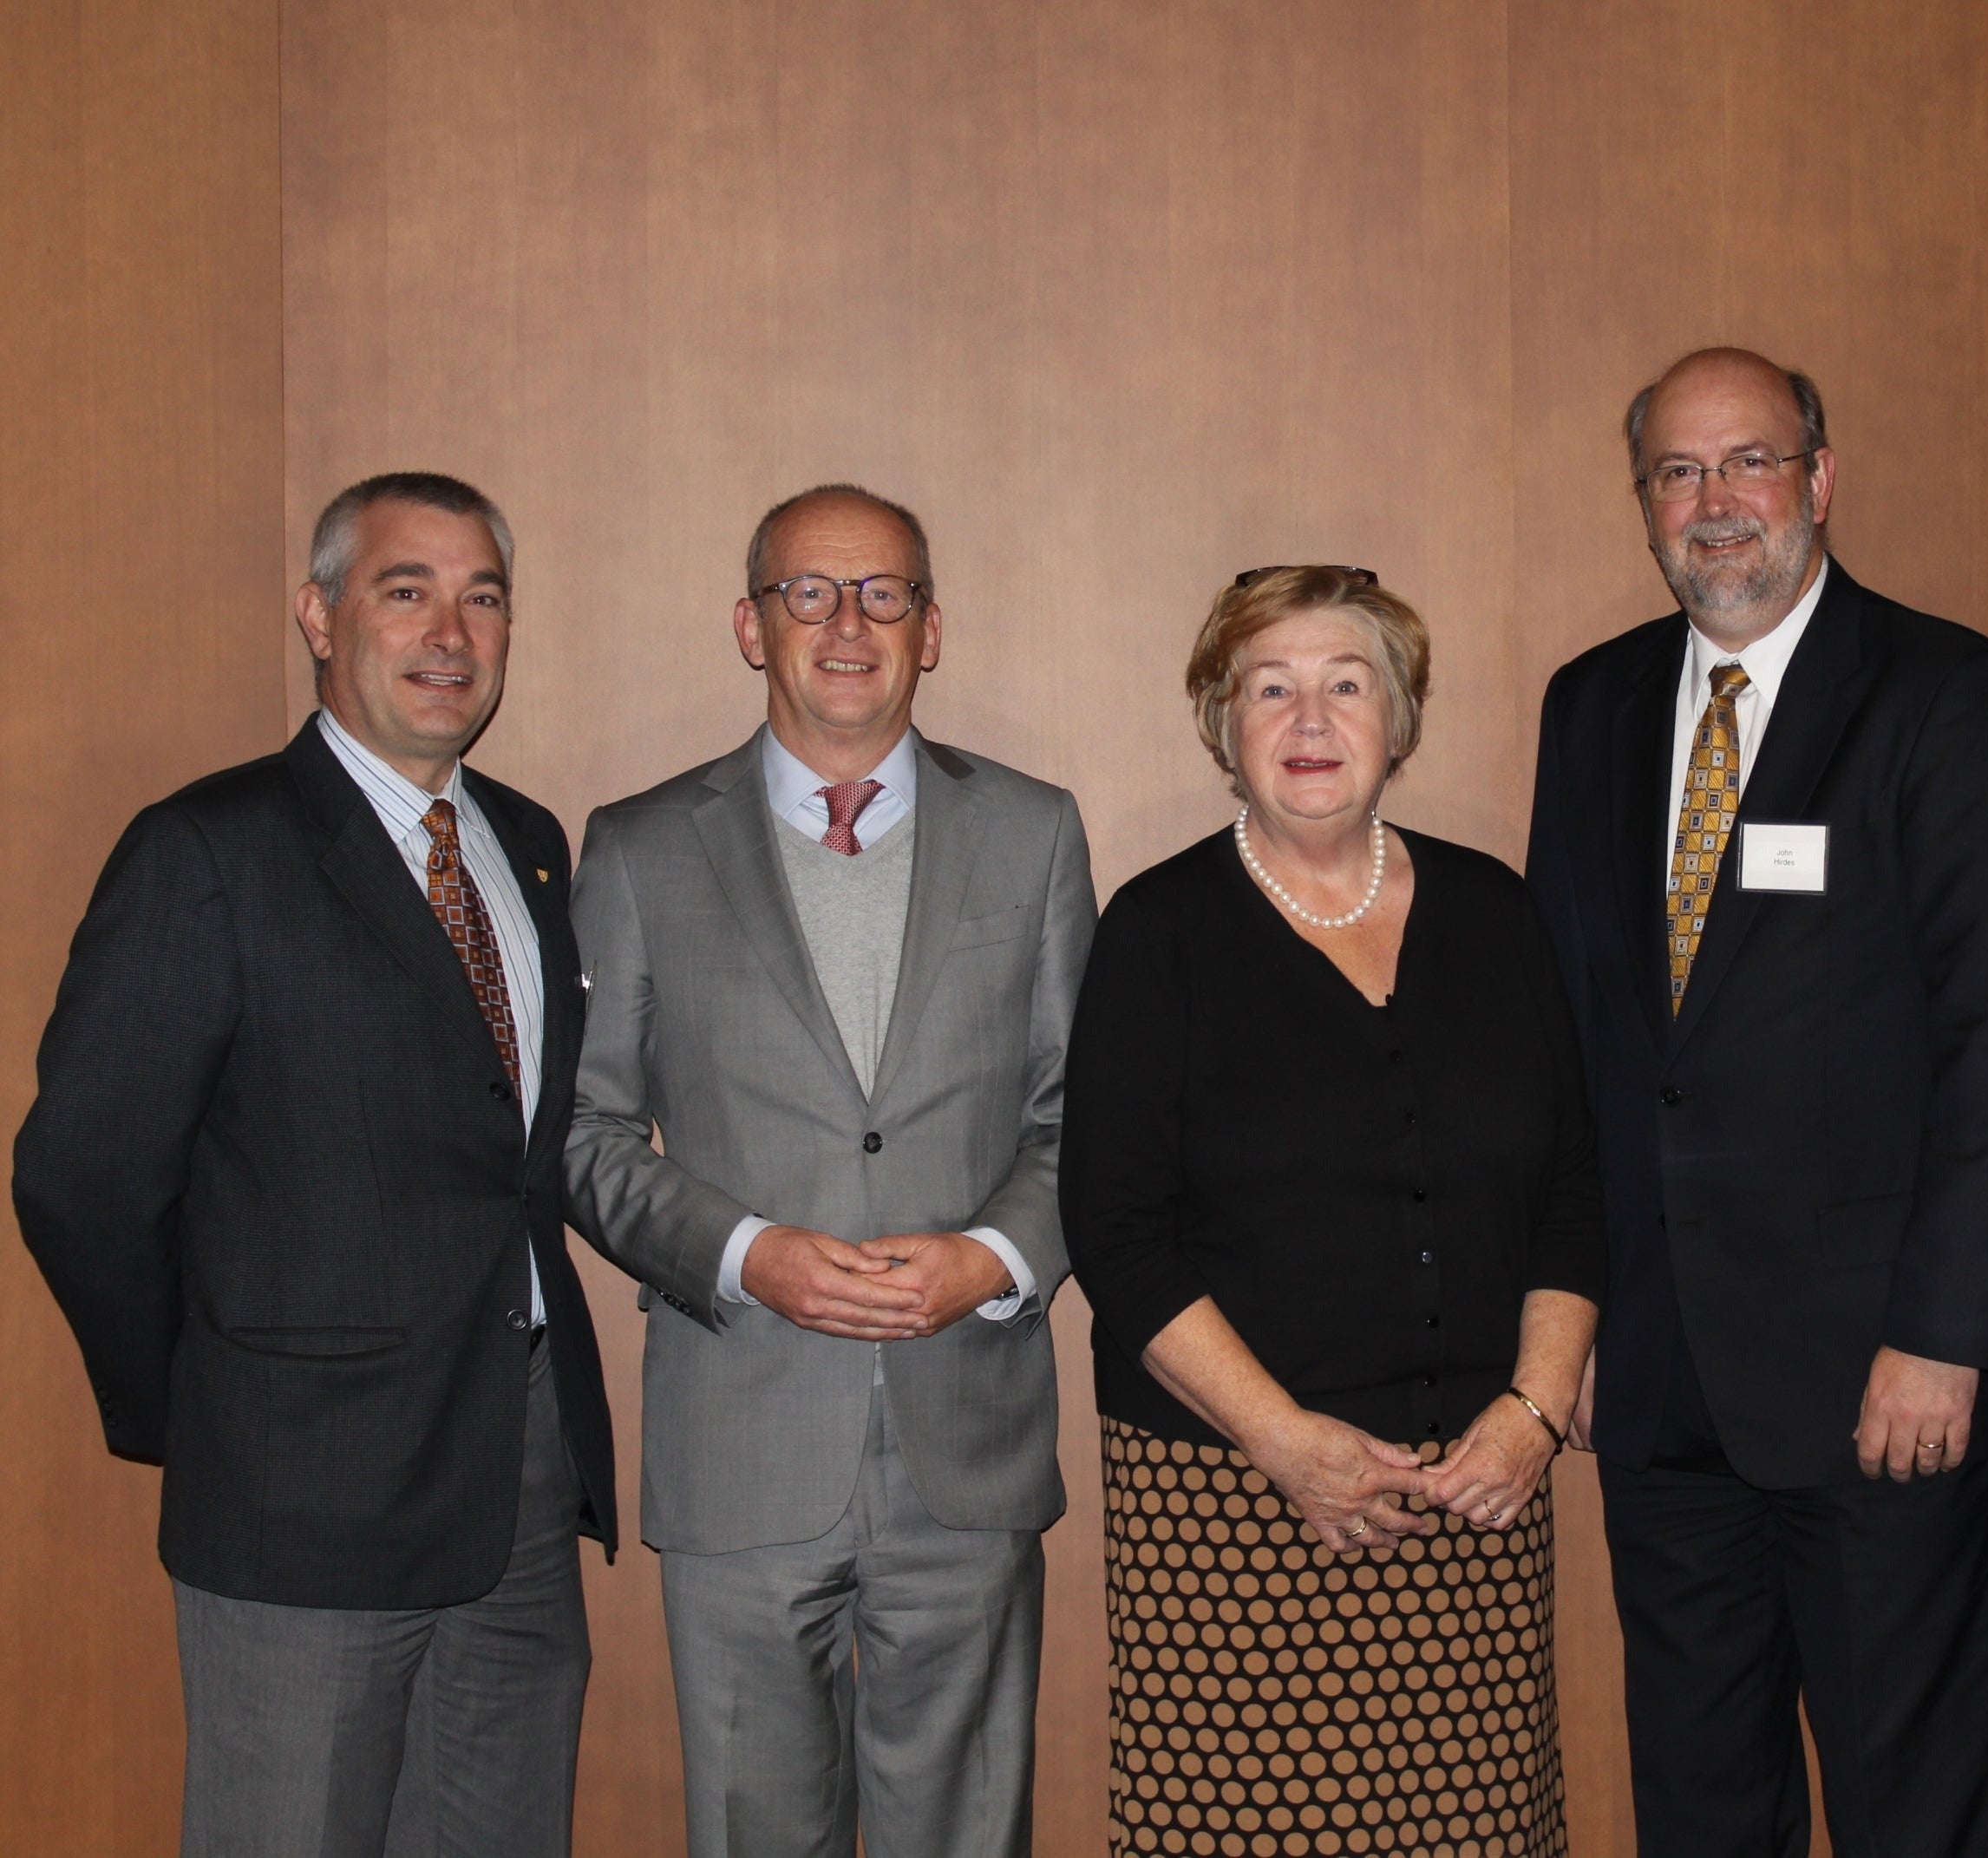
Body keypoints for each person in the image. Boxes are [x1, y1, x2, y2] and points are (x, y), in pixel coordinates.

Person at [1525, 349, 1988, 1857]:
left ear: (1820, 482)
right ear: (1644, 502)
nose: (1716, 505)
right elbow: (1570, 1045)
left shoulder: (1947, 695)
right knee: (1701, 1807)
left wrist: (1948, 1330)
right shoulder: (1593, 705)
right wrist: (1566, 1318)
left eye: (1750, 464)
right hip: (1657, 1381)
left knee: (1918, 1806)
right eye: (1679, 473)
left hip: (1881, 1384)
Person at [13, 472, 619, 1857]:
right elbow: (83, 1176)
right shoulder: (207, 851)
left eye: (483, 596)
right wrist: (212, 1394)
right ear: (318, 614)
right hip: (298, 1498)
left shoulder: (526, 846)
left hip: (520, 1490)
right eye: (405, 589)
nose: (449, 632)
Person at [562, 483, 1095, 1858]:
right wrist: (751, 1255)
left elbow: (1079, 1116)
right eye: (810, 591)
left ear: (933, 627)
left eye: (884, 593)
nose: (848, 623)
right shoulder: (634, 846)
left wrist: (994, 1259)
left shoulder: (1033, 833)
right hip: (741, 1437)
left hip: (966, 1444)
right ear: (751, 624)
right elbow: (585, 1132)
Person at [1062, 566, 1604, 1858]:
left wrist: (1533, 1410)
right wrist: (1286, 1442)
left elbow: (1576, 1183)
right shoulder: (1159, 929)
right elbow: (1118, 1233)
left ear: (1400, 717)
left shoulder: (1497, 909)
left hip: (1475, 1489)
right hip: (1231, 1503)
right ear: (1223, 724)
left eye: (1346, 684)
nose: (1311, 718)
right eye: (1272, 688)